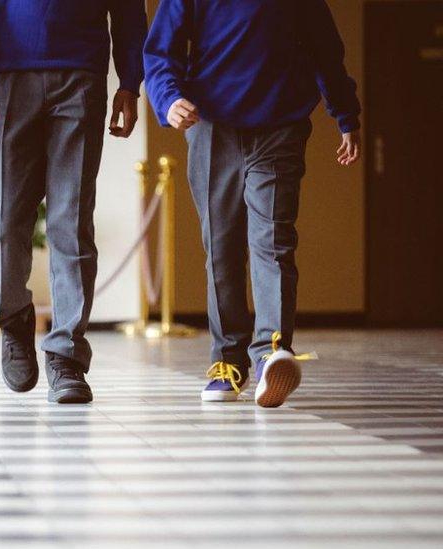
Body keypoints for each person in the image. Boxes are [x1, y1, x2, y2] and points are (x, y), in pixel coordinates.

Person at [144, 0, 362, 407]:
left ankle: (270, 353)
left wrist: (345, 115)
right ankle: (228, 362)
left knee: (274, 240)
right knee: (221, 248)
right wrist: (167, 98)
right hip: (211, 127)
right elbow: (160, 51)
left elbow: (325, 48)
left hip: (279, 126)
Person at [0, 0, 147, 403]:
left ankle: (66, 355)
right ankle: (14, 317)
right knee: (4, 217)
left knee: (71, 219)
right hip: (5, 75)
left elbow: (129, 8)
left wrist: (130, 81)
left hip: (81, 75)